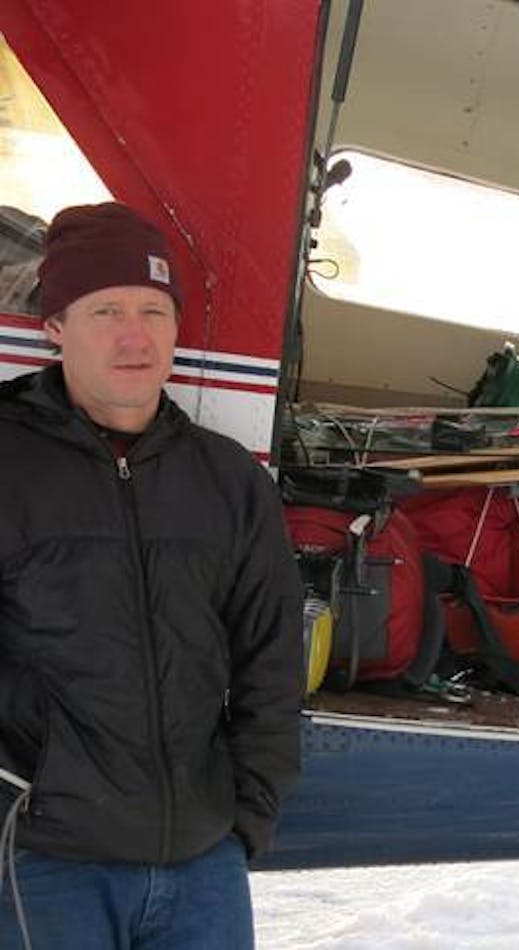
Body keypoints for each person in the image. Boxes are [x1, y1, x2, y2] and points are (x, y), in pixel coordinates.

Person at [0, 203, 304, 949]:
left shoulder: (229, 481)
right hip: (46, 861)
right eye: (104, 310)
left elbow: (271, 658)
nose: (134, 335)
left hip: (204, 863)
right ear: (56, 330)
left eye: (153, 310)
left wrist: (246, 813)